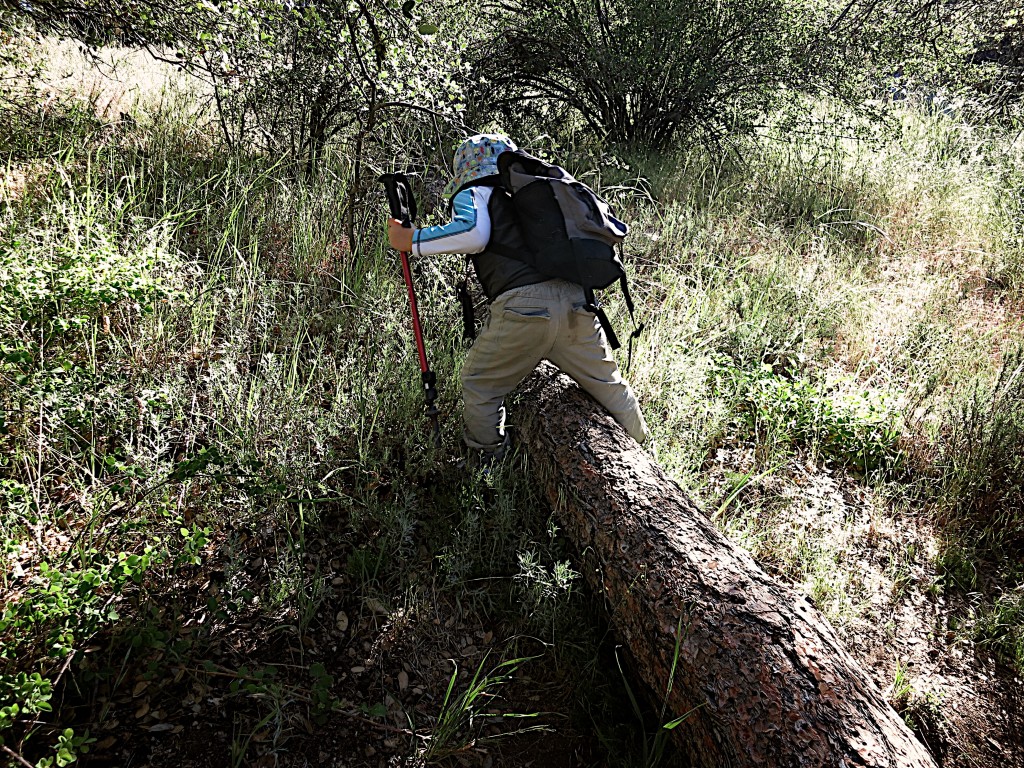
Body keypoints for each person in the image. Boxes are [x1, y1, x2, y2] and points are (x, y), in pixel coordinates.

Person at [387, 133, 650, 463]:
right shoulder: (533, 193)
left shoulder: (475, 191)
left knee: (480, 385)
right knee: (609, 385)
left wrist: (411, 240)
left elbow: (473, 233)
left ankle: (488, 463)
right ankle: (645, 453)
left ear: (465, 169)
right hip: (577, 303)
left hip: (524, 308)